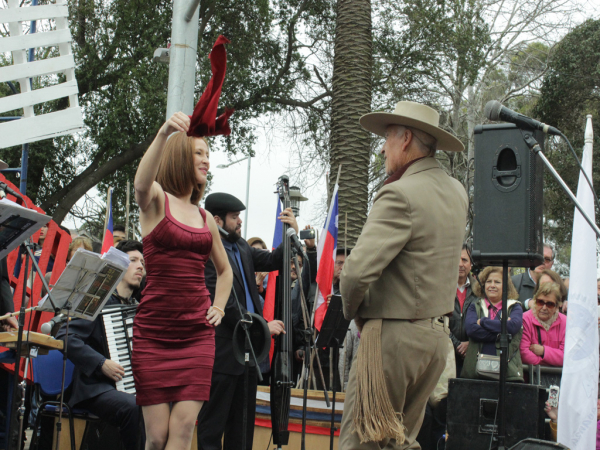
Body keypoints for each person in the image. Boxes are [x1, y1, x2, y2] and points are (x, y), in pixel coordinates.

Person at [339, 101, 468, 449]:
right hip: (435, 343)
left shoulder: (399, 192)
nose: (382, 147)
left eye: (387, 138)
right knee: (400, 442)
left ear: (406, 139)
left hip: (393, 339)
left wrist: (355, 315)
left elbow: (354, 274)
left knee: (361, 442)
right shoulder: (457, 192)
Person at [132, 112, 233, 450]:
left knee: (182, 431)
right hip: (153, 335)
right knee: (156, 437)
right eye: (199, 153)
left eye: (208, 153)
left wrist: (218, 305)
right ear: (179, 157)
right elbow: (141, 186)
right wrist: (163, 133)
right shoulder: (157, 200)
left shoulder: (206, 218)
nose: (207, 159)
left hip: (196, 337)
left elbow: (225, 270)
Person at [197, 192, 295, 450]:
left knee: (242, 430)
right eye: (234, 217)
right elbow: (225, 306)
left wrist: (291, 234)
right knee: (213, 427)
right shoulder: (206, 251)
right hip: (223, 354)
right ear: (217, 220)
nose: (240, 221)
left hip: (248, 355)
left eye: (240, 216)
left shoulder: (241, 247)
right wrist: (262, 327)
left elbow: (274, 260)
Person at [55, 239, 146, 450]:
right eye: (133, 260)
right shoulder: (98, 300)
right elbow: (66, 336)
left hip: (126, 387)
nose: (140, 265)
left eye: (142, 261)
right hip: (95, 388)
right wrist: (101, 363)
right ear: (118, 267)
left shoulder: (138, 308)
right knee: (134, 408)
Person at [462, 266, 524, 381]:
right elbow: (471, 330)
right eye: (488, 281)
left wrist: (483, 322)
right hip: (475, 373)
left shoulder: (515, 306)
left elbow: (513, 327)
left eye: (497, 282)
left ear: (506, 286)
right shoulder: (474, 305)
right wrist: (503, 332)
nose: (492, 285)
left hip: (508, 374)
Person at [449, 244, 478, 376]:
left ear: (471, 264)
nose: (460, 264)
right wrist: (457, 345)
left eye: (465, 260)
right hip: (446, 354)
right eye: (457, 259)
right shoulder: (442, 288)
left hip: (472, 356)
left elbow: (484, 320)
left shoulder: (480, 290)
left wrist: (471, 344)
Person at [520, 283, 566, 367]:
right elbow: (524, 354)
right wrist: (549, 363)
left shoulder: (566, 323)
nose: (544, 308)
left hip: (559, 378)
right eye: (540, 302)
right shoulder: (524, 319)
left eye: (550, 304)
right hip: (530, 377)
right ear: (534, 301)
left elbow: (566, 357)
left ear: (557, 307)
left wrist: (543, 351)